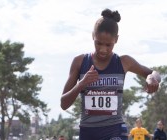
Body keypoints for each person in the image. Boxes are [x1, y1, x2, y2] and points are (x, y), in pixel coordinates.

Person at [60, 8, 160, 140]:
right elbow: (64, 104)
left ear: (116, 39)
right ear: (92, 36)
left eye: (108, 45)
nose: (103, 49)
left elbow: (154, 73)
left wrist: (152, 78)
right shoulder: (80, 62)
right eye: (98, 43)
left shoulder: (123, 62)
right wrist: (82, 84)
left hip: (114, 130)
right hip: (88, 131)